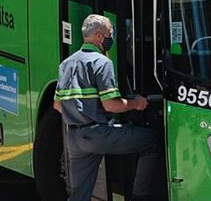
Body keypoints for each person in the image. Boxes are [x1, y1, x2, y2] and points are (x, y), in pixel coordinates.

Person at [55, 14, 161, 201]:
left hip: (74, 139)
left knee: (79, 195)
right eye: (110, 34)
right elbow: (111, 105)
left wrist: (79, 113)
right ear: (98, 36)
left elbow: (57, 105)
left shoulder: (66, 64)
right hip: (98, 135)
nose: (112, 38)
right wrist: (136, 103)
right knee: (151, 141)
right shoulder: (101, 62)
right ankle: (139, 197)